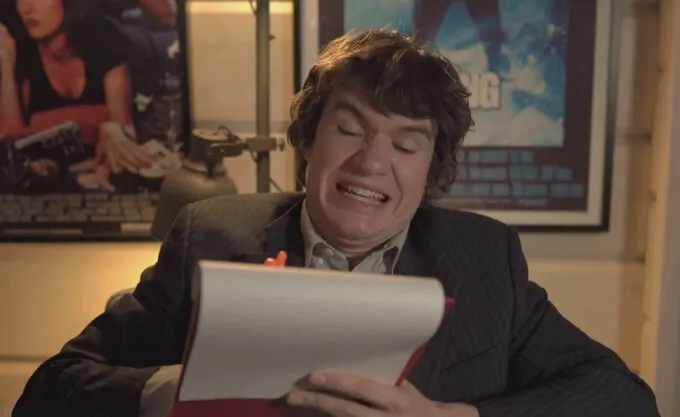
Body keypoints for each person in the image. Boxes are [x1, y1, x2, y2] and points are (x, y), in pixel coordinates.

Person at [12, 29, 660, 417]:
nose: (372, 162)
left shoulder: (486, 258)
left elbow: (622, 398)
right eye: (350, 129)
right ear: (308, 137)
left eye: (406, 144)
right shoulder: (209, 237)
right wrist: (176, 392)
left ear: (431, 167)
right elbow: (50, 390)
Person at [0, 0, 153, 179]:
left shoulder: (105, 37)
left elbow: (123, 134)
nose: (27, 8)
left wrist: (41, 123)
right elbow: (12, 144)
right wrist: (6, 62)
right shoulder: (19, 47)